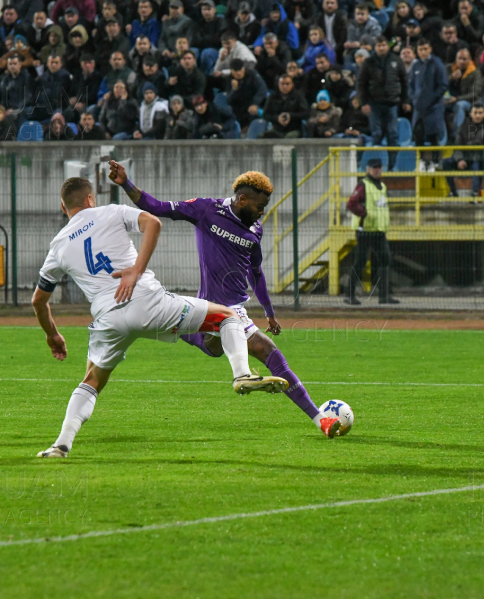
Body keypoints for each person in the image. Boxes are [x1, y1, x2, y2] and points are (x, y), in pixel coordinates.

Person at [33, 177, 287, 458]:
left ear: (62, 207)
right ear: (91, 199)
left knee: (91, 380)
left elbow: (39, 301)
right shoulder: (111, 211)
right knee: (226, 316)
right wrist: (136, 270)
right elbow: (154, 222)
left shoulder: (57, 245)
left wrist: (52, 335)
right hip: (148, 302)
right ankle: (242, 374)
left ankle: (61, 445)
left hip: (108, 318)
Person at [108, 161, 343, 439]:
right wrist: (125, 183)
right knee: (260, 348)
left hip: (234, 309)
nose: (261, 212)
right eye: (258, 206)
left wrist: (269, 311)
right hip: (211, 307)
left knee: (243, 348)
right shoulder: (206, 210)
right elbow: (158, 207)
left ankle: (320, 421)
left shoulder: (255, 230)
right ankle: (311, 414)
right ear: (242, 199)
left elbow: (255, 273)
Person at [345, 157, 398, 305]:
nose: (378, 170)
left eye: (379, 167)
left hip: (378, 230)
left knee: (386, 260)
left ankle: (384, 295)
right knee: (360, 262)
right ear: (368, 169)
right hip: (365, 230)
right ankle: (349, 294)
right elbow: (352, 204)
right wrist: (364, 214)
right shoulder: (364, 185)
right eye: (375, 167)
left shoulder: (381, 185)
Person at [357, 36, 411, 171]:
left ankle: (392, 167)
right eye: (379, 45)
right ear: (375, 47)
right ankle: (375, 168)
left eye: (384, 45)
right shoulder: (368, 62)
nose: (381, 48)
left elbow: (404, 82)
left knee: (393, 135)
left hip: (392, 103)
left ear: (388, 46)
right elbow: (361, 84)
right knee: (376, 135)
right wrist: (363, 103)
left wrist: (405, 100)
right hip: (374, 104)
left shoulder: (396, 60)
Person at [261, 72, 308, 137]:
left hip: (293, 130)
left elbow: (305, 113)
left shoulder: (298, 96)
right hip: (277, 130)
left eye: (287, 84)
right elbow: (265, 114)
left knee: (289, 138)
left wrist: (290, 116)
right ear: (278, 84)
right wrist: (277, 118)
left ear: (292, 84)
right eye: (282, 84)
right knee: (262, 136)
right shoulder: (273, 97)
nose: (285, 86)